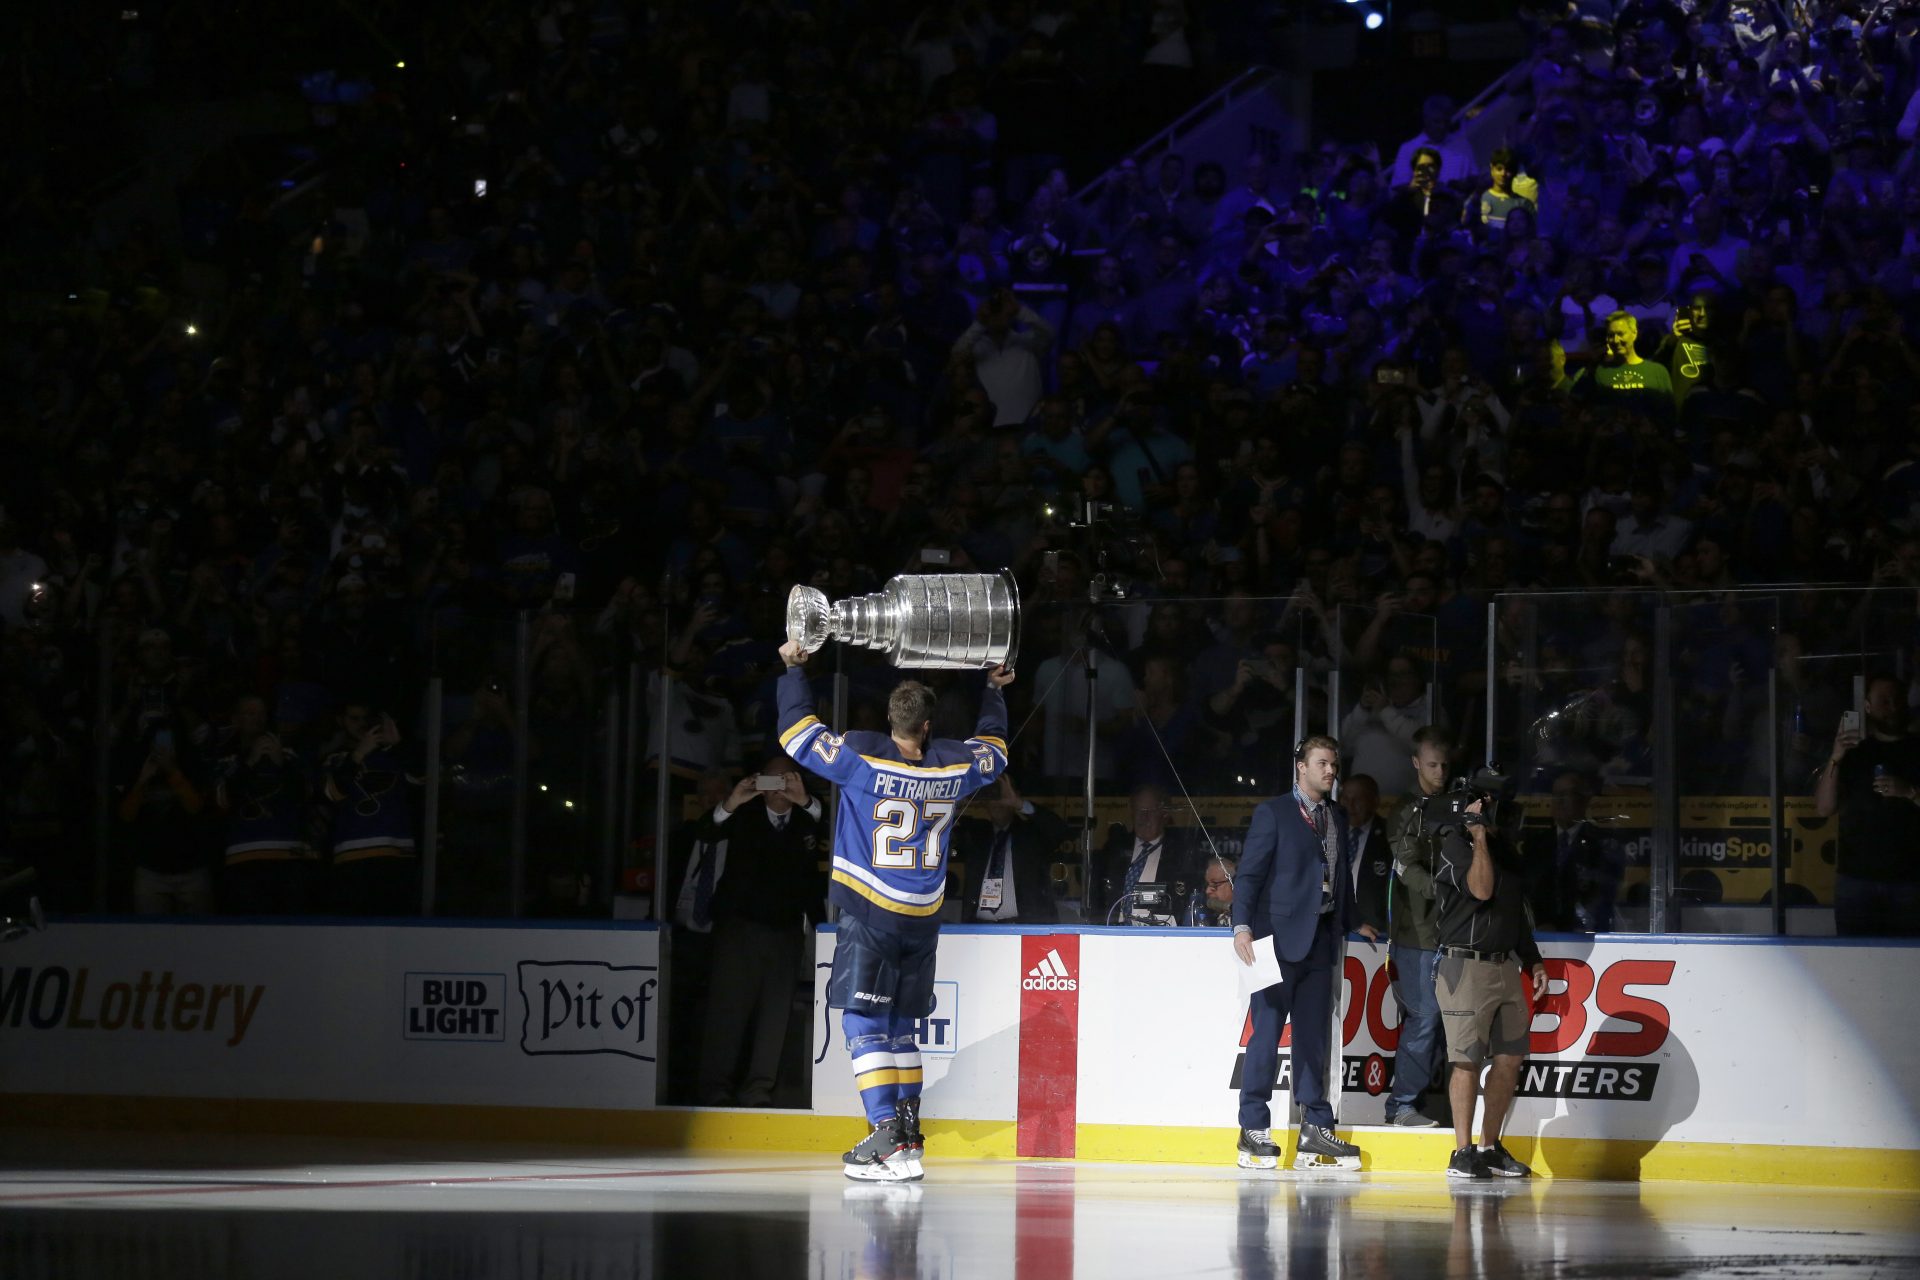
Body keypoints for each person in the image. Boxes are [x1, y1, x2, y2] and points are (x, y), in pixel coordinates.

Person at [777, 639, 1012, 1181]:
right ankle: (906, 1138)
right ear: (928, 726)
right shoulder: (954, 764)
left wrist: (793, 667)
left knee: (864, 1021)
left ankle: (885, 1136)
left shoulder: (862, 753)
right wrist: (994, 690)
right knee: (903, 1025)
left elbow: (796, 733)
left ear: (891, 720)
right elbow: (995, 749)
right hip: (924, 918)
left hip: (871, 912)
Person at [1230, 735, 1362, 1172]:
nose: (1331, 771)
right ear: (1300, 766)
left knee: (1313, 1039)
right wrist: (1242, 926)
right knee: (1266, 1034)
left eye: (1334, 765)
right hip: (1273, 939)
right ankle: (1253, 1130)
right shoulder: (1274, 813)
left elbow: (1340, 875)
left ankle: (1315, 1131)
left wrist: (1352, 919)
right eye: (1322, 763)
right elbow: (1249, 874)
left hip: (1321, 939)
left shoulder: (1336, 816)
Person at [1429, 777, 1549, 1180]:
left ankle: (1489, 1146)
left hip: (1505, 967)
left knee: (1510, 1058)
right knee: (1465, 1061)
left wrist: (1532, 961)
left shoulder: (1506, 853)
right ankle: (1462, 1152)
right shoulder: (1455, 847)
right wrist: (1477, 833)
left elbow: (1516, 915)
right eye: (1489, 806)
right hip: (1465, 967)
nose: (1501, 814)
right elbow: (1481, 890)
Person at [697, 756, 828, 1106]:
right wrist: (735, 799)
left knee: (775, 1016)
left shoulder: (806, 819)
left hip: (786, 932)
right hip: (739, 929)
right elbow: (708, 830)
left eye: (786, 780)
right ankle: (716, 1087)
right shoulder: (744, 813)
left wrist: (804, 799)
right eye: (771, 781)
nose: (778, 788)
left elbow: (826, 821)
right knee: (728, 1010)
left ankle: (759, 1089)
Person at [1357, 726, 1451, 1127]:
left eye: (1445, 765)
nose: (1440, 772)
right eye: (1432, 764)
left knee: (1454, 1025)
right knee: (1425, 1017)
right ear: (1416, 764)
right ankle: (1402, 1106)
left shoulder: (1456, 805)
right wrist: (1447, 892)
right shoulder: (1405, 812)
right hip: (1418, 933)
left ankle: (1436, 1105)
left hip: (1457, 933)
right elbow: (1407, 866)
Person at [1814, 677, 1920, 936]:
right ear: (1868, 707)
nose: (1892, 707)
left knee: (1908, 968)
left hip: (1910, 879)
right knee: (1855, 965)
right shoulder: (1853, 753)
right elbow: (1824, 808)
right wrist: (1836, 756)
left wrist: (1909, 792)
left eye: (1896, 699)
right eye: (1884, 701)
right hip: (1856, 879)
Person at [955, 773, 1067, 924]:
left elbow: (1059, 830)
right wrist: (959, 801)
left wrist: (1019, 803)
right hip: (978, 930)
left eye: (1003, 794)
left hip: (1023, 930)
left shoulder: (1031, 834)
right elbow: (939, 831)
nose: (998, 802)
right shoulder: (976, 834)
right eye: (992, 794)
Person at [1522, 770, 1621, 933]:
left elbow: (1605, 890)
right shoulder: (1535, 845)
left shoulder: (1601, 843)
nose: (1560, 802)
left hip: (1588, 934)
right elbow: (1529, 891)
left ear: (1584, 800)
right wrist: (1541, 923)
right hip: (1543, 934)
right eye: (1556, 795)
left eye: (1567, 795)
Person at [1097, 782, 1199, 924]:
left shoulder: (1180, 853)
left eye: (1150, 811)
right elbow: (1097, 895)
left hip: (1157, 932)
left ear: (1164, 814)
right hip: (1113, 929)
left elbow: (1183, 901)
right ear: (1132, 812)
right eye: (1140, 811)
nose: (1144, 818)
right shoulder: (1115, 848)